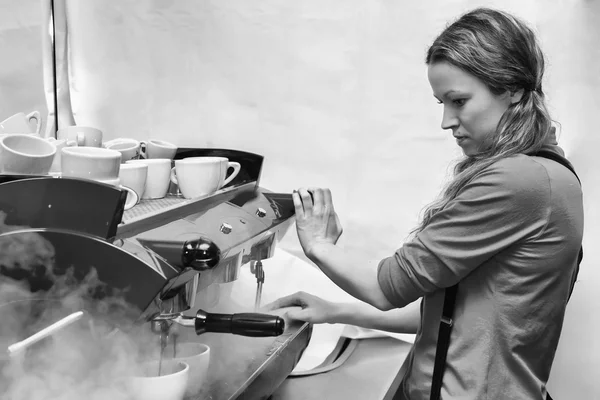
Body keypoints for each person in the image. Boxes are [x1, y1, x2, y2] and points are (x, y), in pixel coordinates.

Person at [266, 7, 584, 400]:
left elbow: (389, 287)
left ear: (513, 89)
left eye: (459, 100)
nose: (446, 121)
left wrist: (318, 246)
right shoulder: (550, 172)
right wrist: (334, 311)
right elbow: (455, 317)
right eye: (442, 104)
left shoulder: (520, 180)